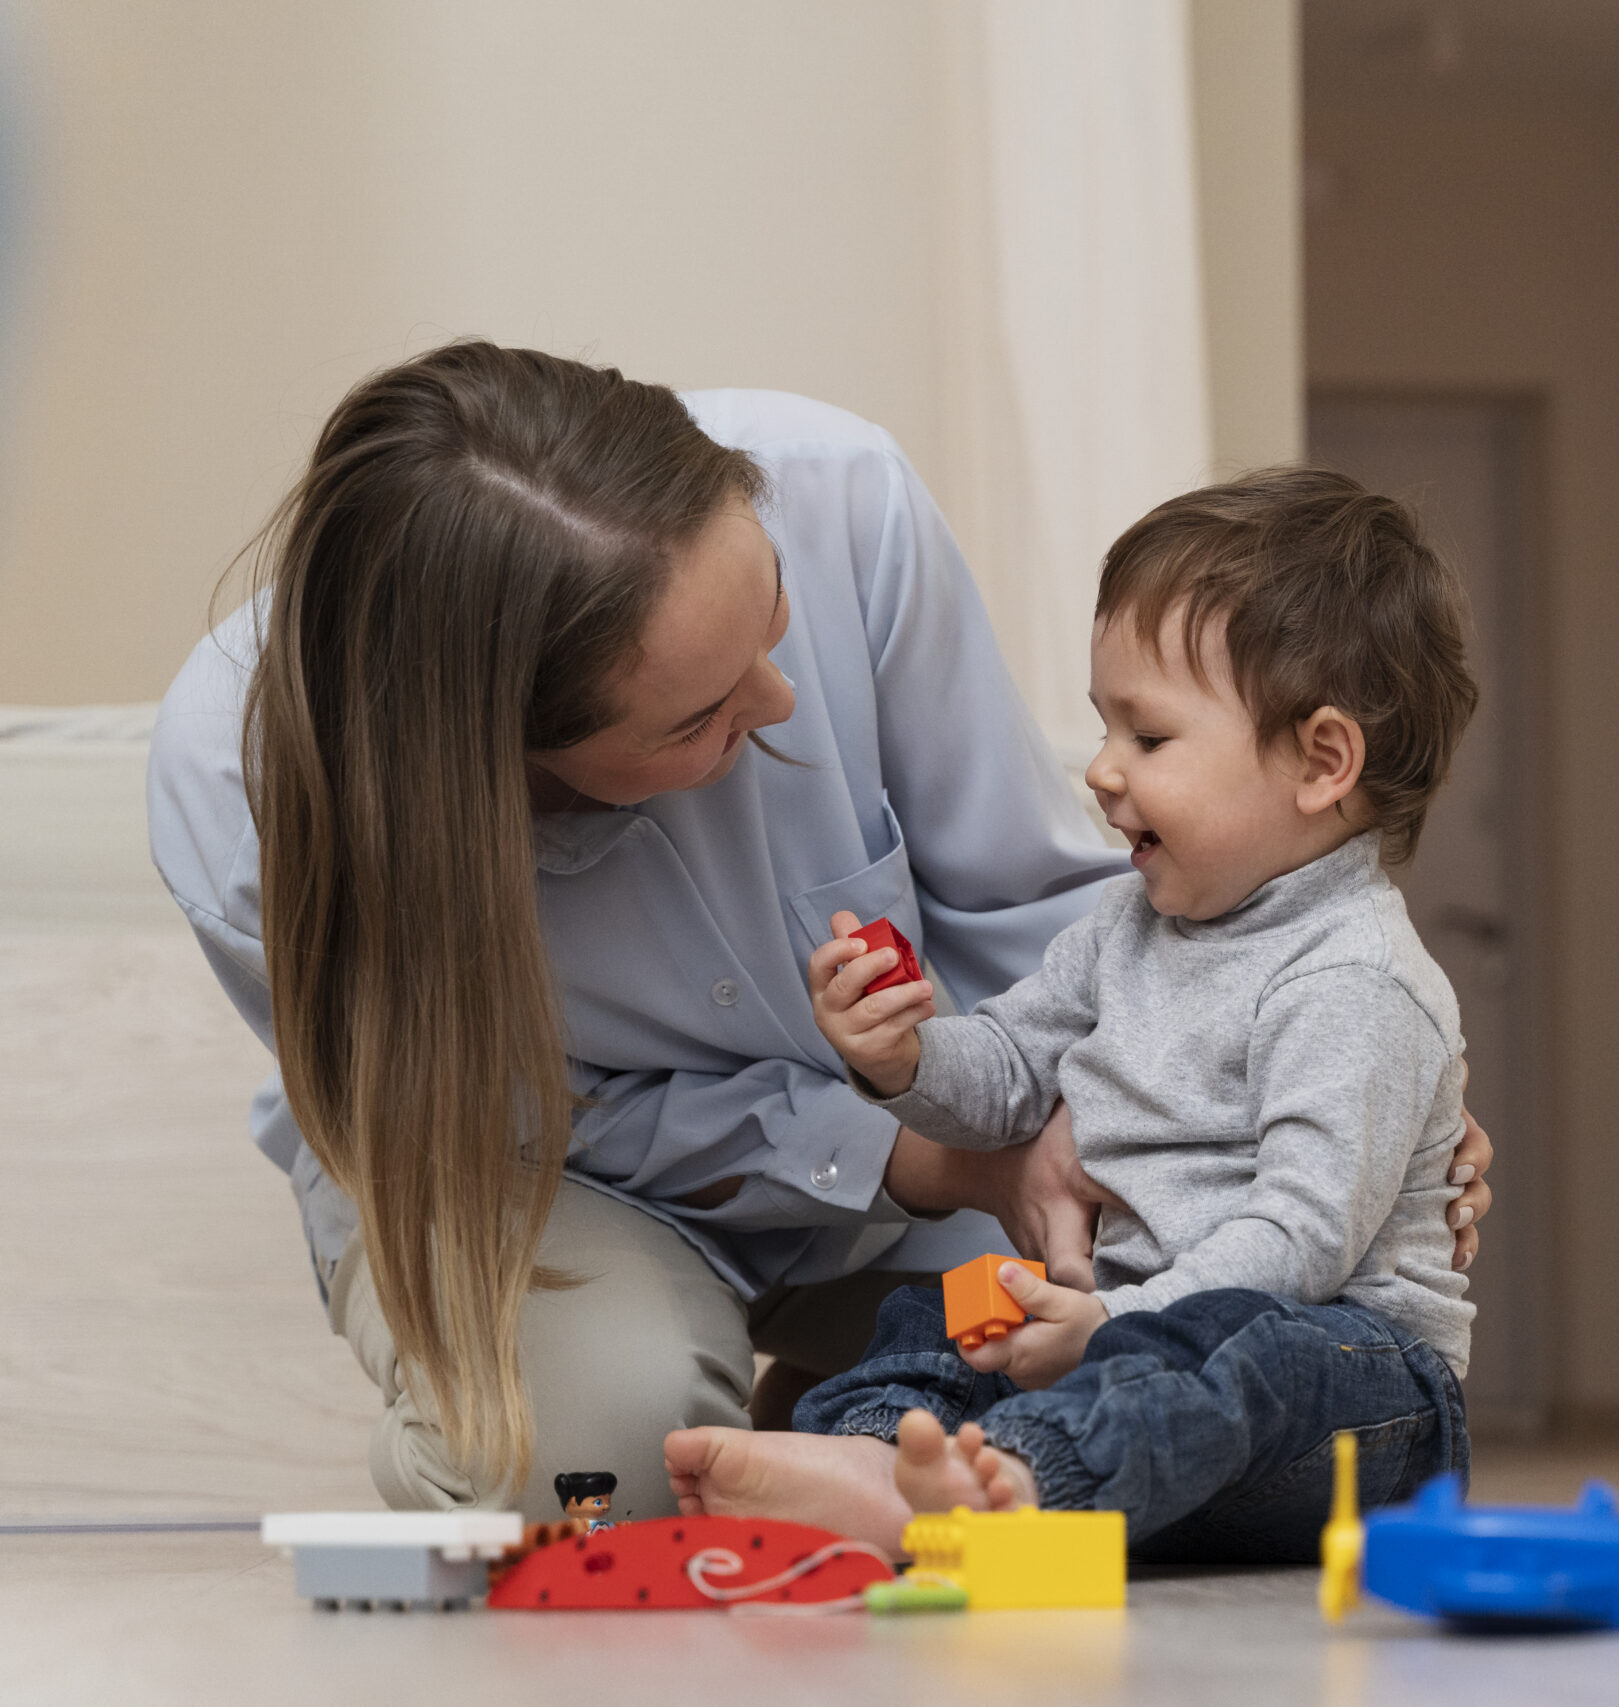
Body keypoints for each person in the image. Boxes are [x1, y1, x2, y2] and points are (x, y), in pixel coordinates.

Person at [145, 341, 1495, 1521]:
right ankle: (811, 1446)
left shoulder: (839, 493)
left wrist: (1307, 1107)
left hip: (1006, 1190)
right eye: (700, 716)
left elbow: (1041, 917)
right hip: (531, 1166)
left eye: (775, 622)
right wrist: (920, 1139)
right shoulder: (240, 801)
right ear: (509, 754)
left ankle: (846, 1439)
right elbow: (505, 1116)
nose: (784, 699)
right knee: (595, 1476)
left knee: (1081, 1353)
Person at [662, 469, 1475, 1560]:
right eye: (1104, 729)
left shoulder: (1355, 977)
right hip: (1131, 1334)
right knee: (942, 1311)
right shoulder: (1128, 926)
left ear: (1322, 761)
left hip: (1355, 1387)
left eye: (1149, 739)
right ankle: (877, 1453)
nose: (1100, 771)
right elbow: (1006, 1074)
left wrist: (1114, 1326)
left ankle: (1020, 1483)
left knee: (1247, 1355)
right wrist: (902, 1057)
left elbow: (1301, 1240)